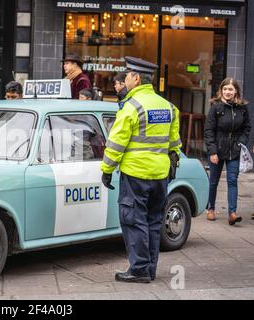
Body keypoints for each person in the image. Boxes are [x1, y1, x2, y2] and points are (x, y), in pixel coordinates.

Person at [100, 56, 181, 283]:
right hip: (160, 175)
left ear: (136, 79)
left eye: (127, 76)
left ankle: (138, 270)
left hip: (135, 175)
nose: (124, 80)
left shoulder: (131, 107)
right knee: (154, 221)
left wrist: (107, 169)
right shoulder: (167, 106)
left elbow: (115, 144)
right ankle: (149, 269)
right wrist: (173, 162)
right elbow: (174, 142)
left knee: (133, 220)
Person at [204, 77, 251, 225]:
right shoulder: (216, 108)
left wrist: (241, 143)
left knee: (232, 181)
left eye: (230, 89)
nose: (227, 92)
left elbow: (247, 128)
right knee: (213, 181)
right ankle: (210, 208)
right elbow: (208, 130)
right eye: (225, 89)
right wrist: (212, 151)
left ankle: (232, 213)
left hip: (234, 150)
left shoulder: (242, 109)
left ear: (236, 91)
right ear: (221, 91)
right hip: (217, 149)